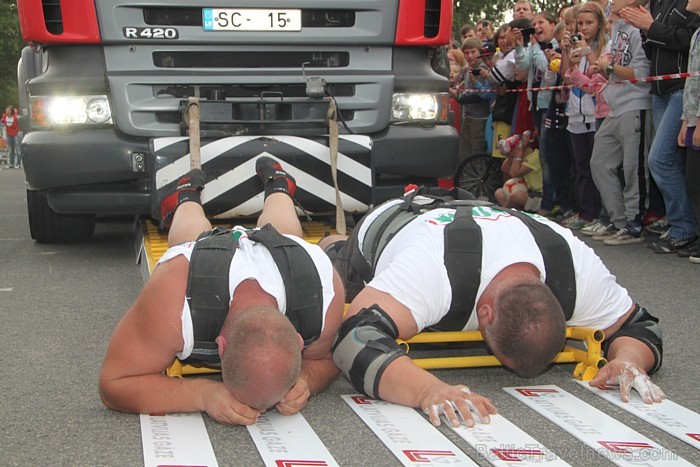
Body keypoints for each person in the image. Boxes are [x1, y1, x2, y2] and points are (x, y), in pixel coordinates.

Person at [324, 191, 665, 429]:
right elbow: (353, 337)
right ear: (484, 313)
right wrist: (428, 391)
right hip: (395, 222)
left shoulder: (577, 270)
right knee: (331, 267)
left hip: (483, 216)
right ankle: (331, 240)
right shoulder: (431, 272)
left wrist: (630, 360)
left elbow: (638, 324)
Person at [99, 157, 345, 425]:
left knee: (285, 233)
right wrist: (204, 394)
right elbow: (113, 384)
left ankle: (279, 187)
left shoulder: (324, 288)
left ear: (299, 342)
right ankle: (186, 196)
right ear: (221, 347)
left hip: (283, 254)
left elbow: (332, 358)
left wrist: (307, 379)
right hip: (204, 259)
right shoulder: (174, 292)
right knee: (189, 236)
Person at [621, 0, 700, 254]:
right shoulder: (659, 2)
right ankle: (679, 221)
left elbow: (688, 39)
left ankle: (684, 227)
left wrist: (651, 27)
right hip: (659, 91)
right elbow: (653, 48)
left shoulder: (690, 5)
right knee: (669, 162)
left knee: (660, 160)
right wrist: (646, 31)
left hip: (680, 90)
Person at [590, 0, 653, 245]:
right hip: (614, 106)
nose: (612, 1)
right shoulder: (617, 29)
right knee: (599, 162)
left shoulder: (639, 30)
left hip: (635, 104)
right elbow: (611, 67)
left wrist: (612, 67)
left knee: (633, 167)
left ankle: (634, 223)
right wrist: (603, 67)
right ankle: (618, 221)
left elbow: (643, 74)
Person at [562, 3, 609, 230]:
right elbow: (567, 76)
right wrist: (566, 54)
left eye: (589, 23)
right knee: (582, 168)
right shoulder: (575, 46)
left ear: (599, 23)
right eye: (580, 23)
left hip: (597, 113)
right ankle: (587, 212)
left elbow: (600, 73)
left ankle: (604, 214)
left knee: (599, 166)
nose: (584, 27)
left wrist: (588, 52)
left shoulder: (603, 46)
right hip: (575, 113)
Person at [678, 0, 700, 262]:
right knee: (693, 181)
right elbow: (692, 82)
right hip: (693, 116)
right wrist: (686, 121)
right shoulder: (696, 34)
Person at [450, 37, 494, 159]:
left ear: (480, 52)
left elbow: (485, 94)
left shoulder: (484, 68)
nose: (470, 56)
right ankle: (466, 176)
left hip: (480, 117)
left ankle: (479, 176)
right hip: (467, 114)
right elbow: (458, 85)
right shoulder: (465, 69)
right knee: (464, 151)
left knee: (477, 151)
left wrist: (460, 95)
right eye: (467, 53)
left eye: (473, 52)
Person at [494, 131, 543, 211]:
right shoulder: (519, 157)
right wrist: (510, 156)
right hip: (528, 193)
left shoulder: (534, 157)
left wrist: (519, 152)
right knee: (499, 193)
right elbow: (504, 169)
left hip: (539, 196)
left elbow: (514, 173)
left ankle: (504, 212)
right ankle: (516, 211)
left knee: (516, 195)